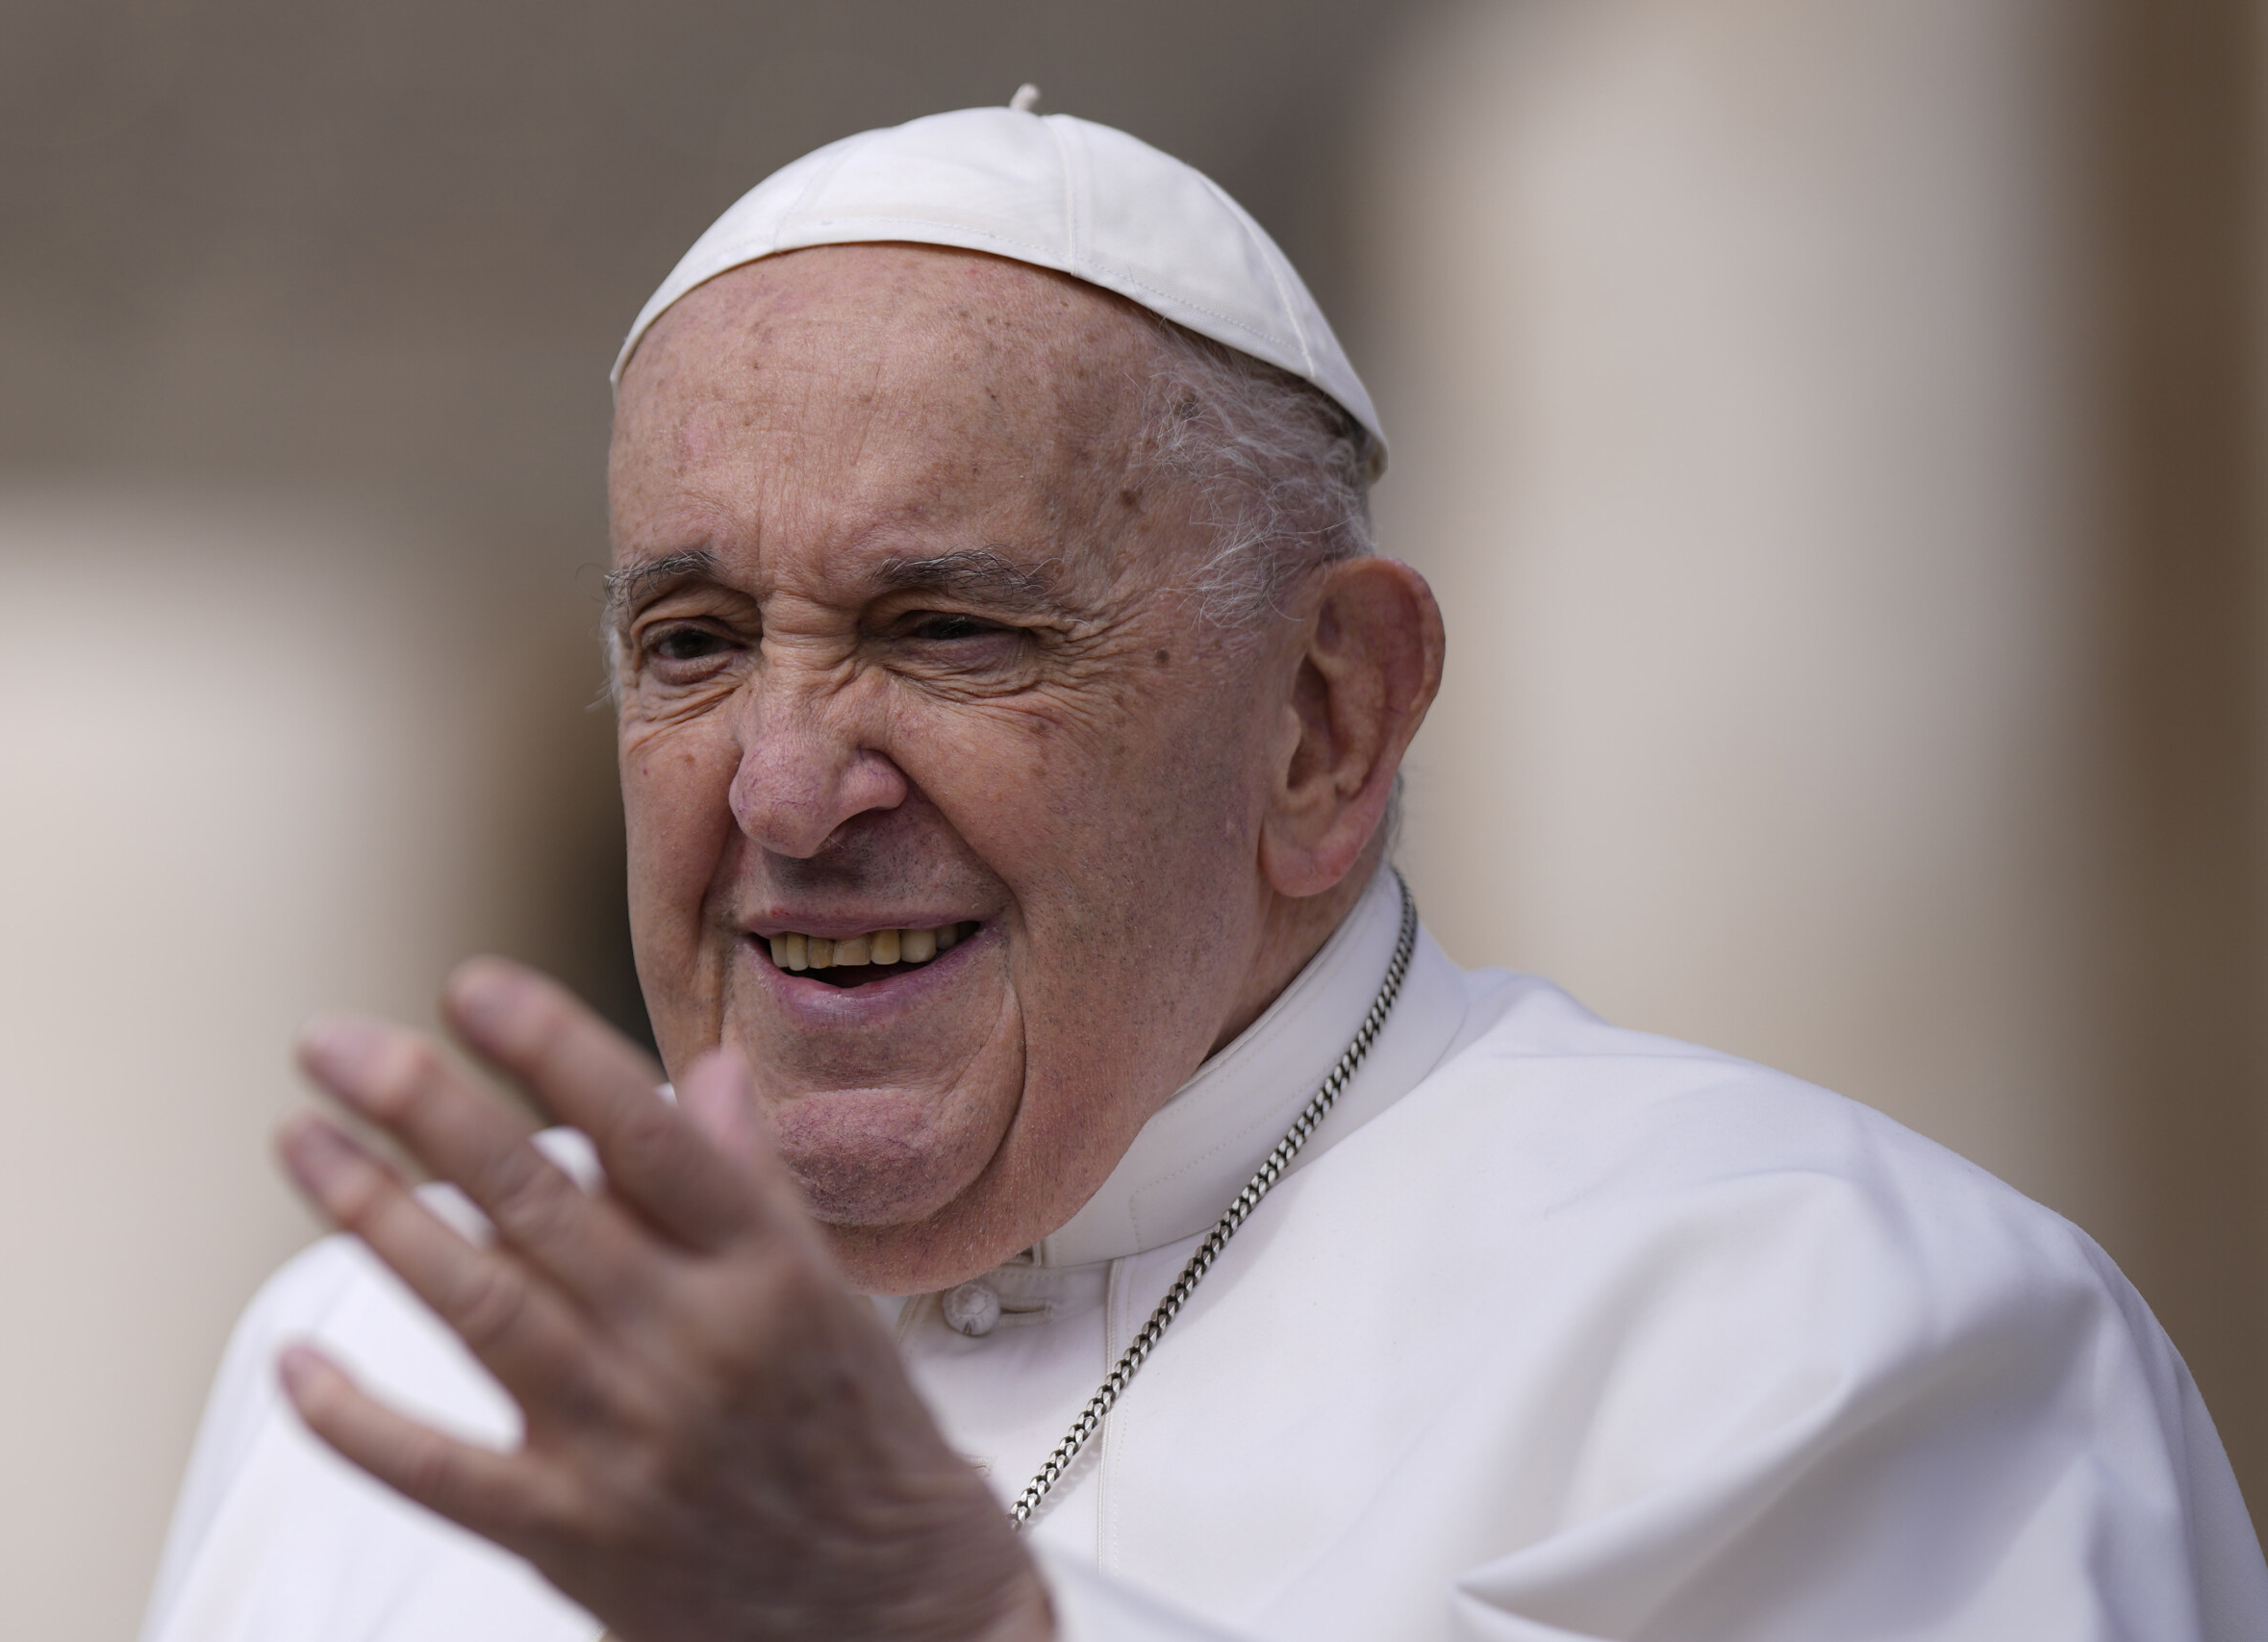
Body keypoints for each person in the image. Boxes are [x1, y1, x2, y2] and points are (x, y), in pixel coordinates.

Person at [138, 98, 2268, 1642]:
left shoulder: (1827, 1328)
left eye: (943, 628)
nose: (783, 789)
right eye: (691, 644)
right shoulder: (389, 1352)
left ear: (1324, 715)